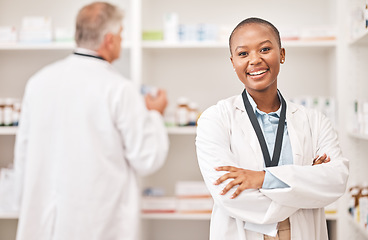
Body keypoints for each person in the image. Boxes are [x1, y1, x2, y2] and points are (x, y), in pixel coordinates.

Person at [13, 2, 169, 240]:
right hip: (97, 223)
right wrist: (155, 114)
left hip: (44, 220)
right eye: (120, 34)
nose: (121, 40)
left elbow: (23, 151)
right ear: (109, 40)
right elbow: (146, 158)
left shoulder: (39, 81)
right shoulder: (118, 88)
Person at [195, 17, 349, 240]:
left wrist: (261, 179)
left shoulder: (314, 120)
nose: (255, 60)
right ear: (232, 62)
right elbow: (228, 194)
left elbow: (336, 181)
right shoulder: (214, 119)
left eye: (265, 49)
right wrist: (306, 185)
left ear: (282, 54)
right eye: (243, 53)